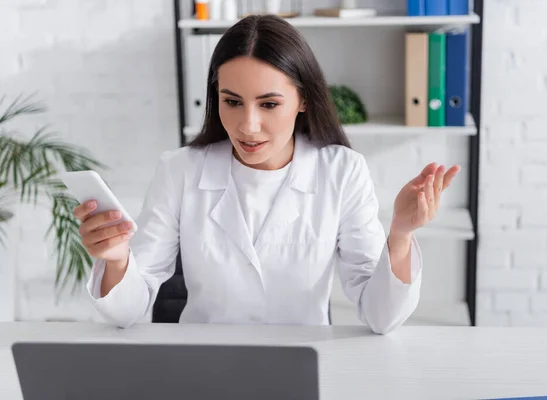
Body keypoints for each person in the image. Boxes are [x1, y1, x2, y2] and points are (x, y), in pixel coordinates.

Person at [74, 14, 459, 335]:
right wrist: (118, 260)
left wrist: (401, 235)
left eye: (269, 104)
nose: (248, 126)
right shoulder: (180, 171)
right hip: (204, 371)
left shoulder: (342, 171)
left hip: (300, 368)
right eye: (232, 102)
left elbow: (381, 317)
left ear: (303, 99)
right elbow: (126, 311)